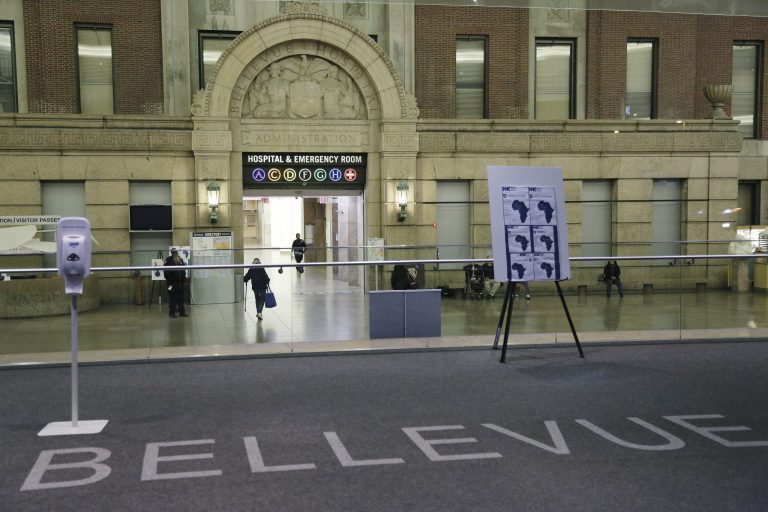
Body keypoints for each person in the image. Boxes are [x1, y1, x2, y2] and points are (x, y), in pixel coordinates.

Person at [163, 247, 188, 318]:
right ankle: (172, 313)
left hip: (180, 283)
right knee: (172, 298)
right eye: (174, 252)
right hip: (171, 284)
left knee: (181, 298)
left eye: (176, 252)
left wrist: (183, 280)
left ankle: (182, 312)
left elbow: (183, 271)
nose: (175, 253)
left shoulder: (180, 259)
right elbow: (166, 273)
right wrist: (172, 280)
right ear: (171, 253)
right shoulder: (168, 260)